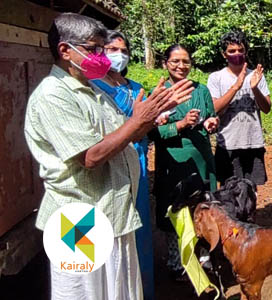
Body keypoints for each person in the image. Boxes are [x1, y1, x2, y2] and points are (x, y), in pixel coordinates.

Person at [24, 13, 192, 299]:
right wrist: (138, 121)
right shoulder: (53, 95)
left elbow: (123, 139)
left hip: (113, 214)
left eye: (103, 49)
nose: (102, 56)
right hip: (79, 219)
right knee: (85, 293)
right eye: (94, 49)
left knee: (118, 292)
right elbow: (90, 156)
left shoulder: (92, 90)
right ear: (65, 50)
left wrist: (150, 118)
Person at [90, 30, 155, 300]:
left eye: (123, 50)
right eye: (112, 49)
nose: (119, 54)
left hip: (136, 160)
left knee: (137, 226)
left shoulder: (136, 89)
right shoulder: (93, 87)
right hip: (107, 162)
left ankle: (141, 289)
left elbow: (147, 127)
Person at [149, 44, 219, 281]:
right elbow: (151, 132)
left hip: (201, 159)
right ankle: (176, 261)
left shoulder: (201, 90)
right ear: (165, 64)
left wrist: (210, 122)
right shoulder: (158, 93)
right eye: (175, 61)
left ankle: (204, 257)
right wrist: (179, 125)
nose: (181, 66)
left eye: (186, 61)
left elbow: (211, 115)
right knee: (174, 210)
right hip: (173, 162)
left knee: (203, 208)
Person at [207, 31, 271, 186]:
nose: (237, 54)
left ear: (246, 51)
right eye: (232, 51)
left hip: (253, 143)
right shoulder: (216, 78)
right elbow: (214, 108)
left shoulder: (256, 75)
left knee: (251, 193)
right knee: (229, 194)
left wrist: (255, 89)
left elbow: (267, 108)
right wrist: (236, 86)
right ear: (224, 54)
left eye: (240, 50)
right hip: (228, 144)